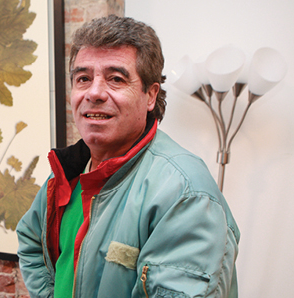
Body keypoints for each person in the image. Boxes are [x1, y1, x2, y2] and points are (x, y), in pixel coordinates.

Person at [17, 15, 240, 298]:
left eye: (116, 79)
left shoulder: (186, 193)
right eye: (83, 78)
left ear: (150, 95)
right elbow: (30, 239)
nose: (94, 92)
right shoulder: (69, 171)